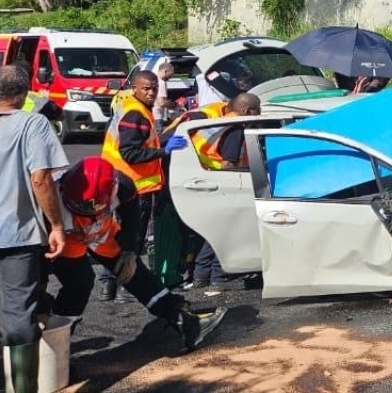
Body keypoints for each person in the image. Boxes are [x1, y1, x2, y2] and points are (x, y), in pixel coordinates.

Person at [43, 157, 226, 352]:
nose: (87, 213)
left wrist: (130, 250)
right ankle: (55, 347)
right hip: (63, 237)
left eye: (93, 208)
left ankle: (184, 322)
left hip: (101, 234)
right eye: (81, 207)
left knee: (135, 272)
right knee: (78, 284)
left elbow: (132, 218)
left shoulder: (123, 186)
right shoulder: (48, 194)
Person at [0, 64, 69, 392]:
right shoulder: (33, 124)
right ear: (24, 94)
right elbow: (40, 178)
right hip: (16, 235)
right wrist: (56, 225)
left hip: (14, 235)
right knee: (18, 318)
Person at [181, 93, 261, 291]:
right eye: (257, 109)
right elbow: (228, 163)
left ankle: (203, 276)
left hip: (202, 183)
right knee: (226, 233)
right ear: (244, 110)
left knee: (214, 234)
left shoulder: (220, 123)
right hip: (221, 187)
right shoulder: (234, 130)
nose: (260, 113)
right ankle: (216, 276)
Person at [98, 70, 166, 300]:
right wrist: (163, 152)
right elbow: (131, 153)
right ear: (135, 88)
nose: (151, 92)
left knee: (112, 236)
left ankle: (108, 284)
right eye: (146, 88)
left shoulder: (124, 103)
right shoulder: (135, 114)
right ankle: (125, 287)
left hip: (114, 182)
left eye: (154, 88)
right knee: (131, 239)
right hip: (134, 187)